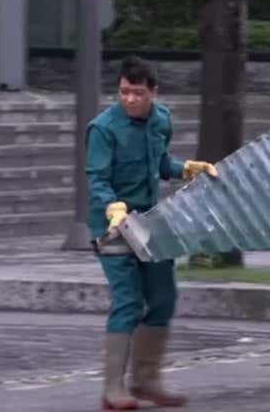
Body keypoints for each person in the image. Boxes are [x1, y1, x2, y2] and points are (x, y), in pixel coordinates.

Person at [87, 56, 218, 410]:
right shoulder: (102, 128)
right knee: (128, 302)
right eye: (124, 92)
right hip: (113, 227)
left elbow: (160, 164)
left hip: (149, 222)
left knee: (163, 298)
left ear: (153, 93)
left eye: (138, 93)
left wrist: (187, 168)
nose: (130, 99)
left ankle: (147, 380)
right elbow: (97, 179)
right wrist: (111, 205)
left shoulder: (161, 119)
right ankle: (113, 389)